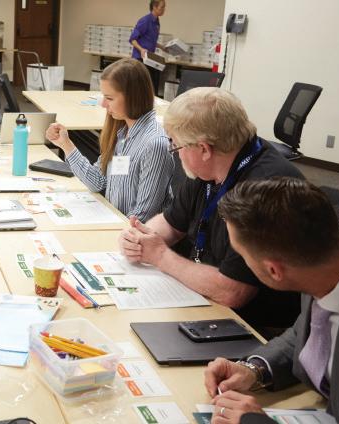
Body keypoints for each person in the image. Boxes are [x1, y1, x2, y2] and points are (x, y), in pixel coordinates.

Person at [118, 87, 304, 335]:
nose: (175, 152)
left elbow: (232, 291)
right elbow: (172, 222)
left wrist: (160, 256)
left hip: (253, 325)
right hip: (205, 298)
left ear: (204, 149)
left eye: (176, 145)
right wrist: (139, 238)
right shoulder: (213, 165)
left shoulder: (264, 192)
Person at [204, 178, 339, 424]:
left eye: (242, 256)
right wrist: (254, 370)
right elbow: (311, 333)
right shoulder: (323, 261)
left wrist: (256, 422)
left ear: (274, 271)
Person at [45, 58, 174, 222]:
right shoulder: (122, 133)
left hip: (134, 232)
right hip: (118, 224)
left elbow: (142, 216)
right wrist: (66, 145)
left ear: (133, 97)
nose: (103, 105)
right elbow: (97, 182)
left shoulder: (154, 144)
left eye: (110, 98)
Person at [129, 0, 166, 93]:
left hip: (149, 58)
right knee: (142, 87)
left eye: (164, 7)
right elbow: (132, 39)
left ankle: (152, 100)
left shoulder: (157, 22)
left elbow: (150, 40)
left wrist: (162, 47)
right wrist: (141, 49)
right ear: (154, 7)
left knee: (153, 84)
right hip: (140, 58)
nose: (164, 9)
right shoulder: (145, 21)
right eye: (162, 7)